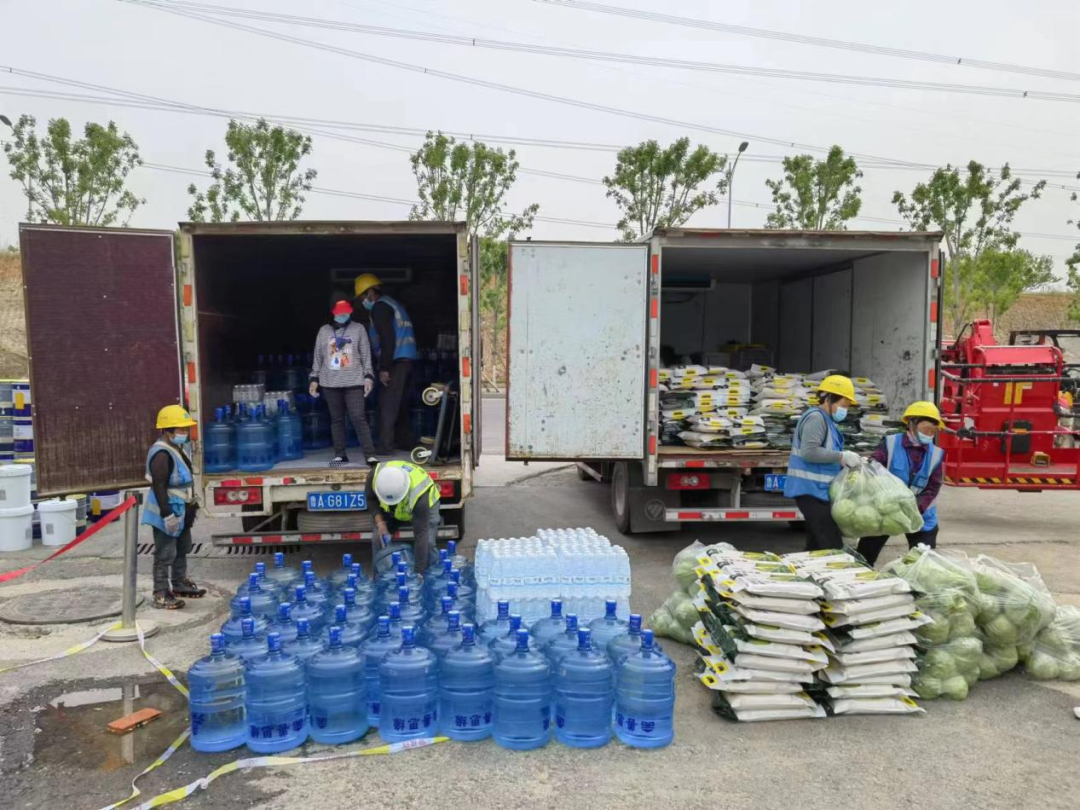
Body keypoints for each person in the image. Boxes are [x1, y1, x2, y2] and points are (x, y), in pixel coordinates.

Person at [856, 402, 945, 566]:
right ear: (911, 424)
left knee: (922, 564)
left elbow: (933, 487)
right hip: (887, 508)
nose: (929, 434)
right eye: (926, 429)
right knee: (864, 558)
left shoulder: (936, 455)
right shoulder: (890, 444)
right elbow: (874, 469)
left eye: (933, 431)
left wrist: (914, 508)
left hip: (921, 515)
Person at [784, 374, 861, 551]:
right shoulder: (816, 418)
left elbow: (825, 453)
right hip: (810, 492)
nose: (845, 410)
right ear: (828, 399)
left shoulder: (827, 420)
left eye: (847, 406)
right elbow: (810, 452)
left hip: (818, 491)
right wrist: (841, 456)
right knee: (830, 544)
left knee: (816, 545)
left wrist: (845, 462)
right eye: (843, 405)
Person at [143, 405, 206, 609]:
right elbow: (159, 485)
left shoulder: (177, 448)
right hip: (168, 510)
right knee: (165, 552)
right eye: (181, 429)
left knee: (182, 548)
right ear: (167, 430)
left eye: (186, 429)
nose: (184, 433)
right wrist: (167, 515)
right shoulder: (161, 454)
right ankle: (161, 592)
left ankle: (179, 583)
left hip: (182, 508)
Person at [353, 273, 419, 456]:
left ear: (370, 293)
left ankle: (385, 446)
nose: (361, 302)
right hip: (407, 360)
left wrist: (384, 368)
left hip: (396, 362)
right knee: (401, 404)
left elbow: (387, 339)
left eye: (362, 298)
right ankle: (405, 441)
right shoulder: (393, 304)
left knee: (387, 404)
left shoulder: (380, 308)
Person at [309, 295, 378, 466]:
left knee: (358, 417)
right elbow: (317, 356)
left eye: (345, 312)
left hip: (354, 381)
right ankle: (340, 455)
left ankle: (369, 455)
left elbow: (366, 354)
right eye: (339, 312)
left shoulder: (358, 329)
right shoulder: (324, 331)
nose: (342, 315)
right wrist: (314, 378)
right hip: (330, 383)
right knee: (337, 419)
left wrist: (368, 376)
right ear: (332, 312)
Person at [364, 460, 440, 575]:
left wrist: (418, 573)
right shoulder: (374, 476)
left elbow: (421, 535)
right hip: (393, 511)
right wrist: (381, 524)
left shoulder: (419, 493)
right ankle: (379, 579)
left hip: (426, 506)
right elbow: (371, 499)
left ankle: (433, 575)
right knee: (378, 538)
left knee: (428, 544)